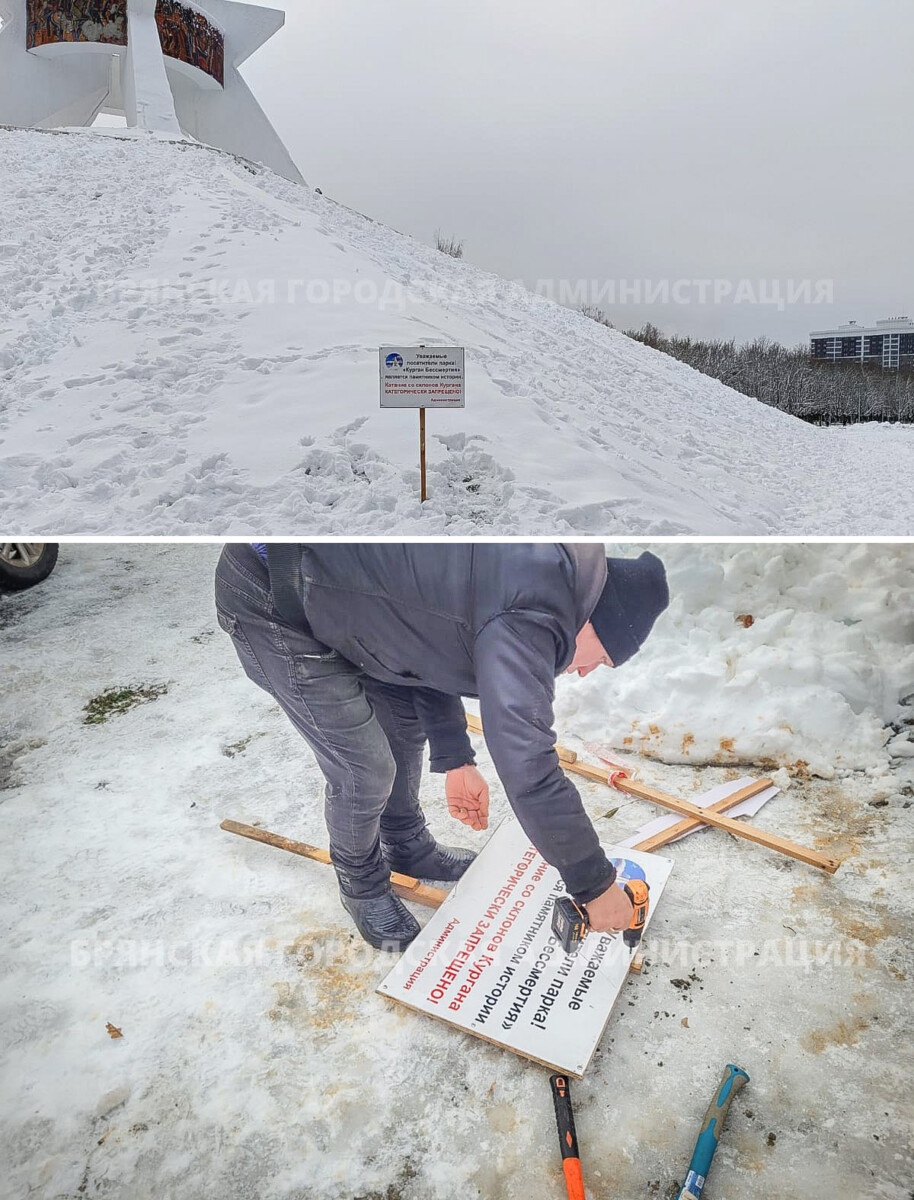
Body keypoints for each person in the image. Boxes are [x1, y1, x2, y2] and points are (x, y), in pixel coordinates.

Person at [215, 544, 669, 950]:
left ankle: (406, 844)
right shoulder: (534, 612)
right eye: (603, 659)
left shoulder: (549, 579)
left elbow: (429, 637)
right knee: (364, 766)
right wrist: (594, 886)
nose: (588, 672)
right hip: (274, 595)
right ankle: (362, 885)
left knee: (404, 723)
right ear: (595, 623)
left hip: (342, 595)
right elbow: (529, 765)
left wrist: (456, 759)